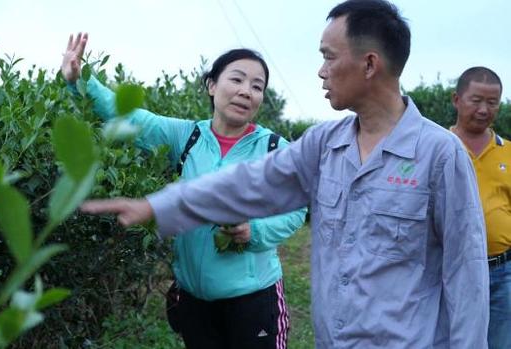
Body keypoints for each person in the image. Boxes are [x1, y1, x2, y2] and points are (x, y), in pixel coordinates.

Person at [81, 0, 490, 348]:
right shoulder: (323, 145)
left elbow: (466, 275)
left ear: (369, 64)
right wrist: (160, 205)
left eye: (329, 57)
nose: (320, 71)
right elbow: (249, 185)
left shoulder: (439, 154)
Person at [62, 34, 305, 348]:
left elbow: (297, 208)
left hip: (253, 301)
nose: (246, 91)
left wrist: (254, 231)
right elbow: (132, 117)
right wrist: (81, 80)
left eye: (257, 86)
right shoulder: (188, 137)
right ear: (212, 86)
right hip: (195, 299)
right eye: (237, 79)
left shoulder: (274, 149)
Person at [450, 67, 509, 349]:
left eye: (493, 102)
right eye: (476, 100)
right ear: (456, 100)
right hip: (450, 271)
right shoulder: (437, 148)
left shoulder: (508, 153)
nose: (484, 109)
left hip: (503, 272)